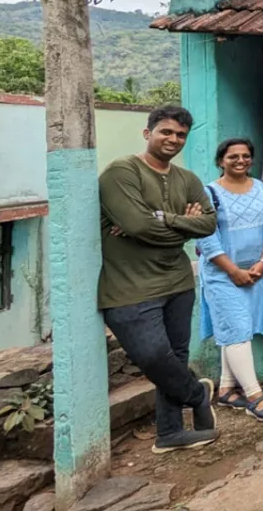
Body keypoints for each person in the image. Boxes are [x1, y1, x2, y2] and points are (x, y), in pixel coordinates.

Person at [98, 105, 219, 453]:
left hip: (178, 283)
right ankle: (198, 393)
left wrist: (161, 222)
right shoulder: (122, 172)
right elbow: (137, 225)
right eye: (166, 131)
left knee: (175, 357)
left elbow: (208, 225)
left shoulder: (188, 180)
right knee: (153, 356)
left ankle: (169, 433)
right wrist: (180, 224)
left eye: (180, 134)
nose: (173, 139)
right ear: (147, 132)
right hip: (129, 287)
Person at [197, 138, 263, 422]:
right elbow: (206, 239)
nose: (241, 161)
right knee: (236, 331)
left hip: (257, 271)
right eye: (233, 156)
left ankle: (225, 388)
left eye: (246, 156)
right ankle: (254, 395)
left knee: (234, 329)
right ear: (221, 160)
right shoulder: (209, 193)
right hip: (222, 274)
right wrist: (233, 270)